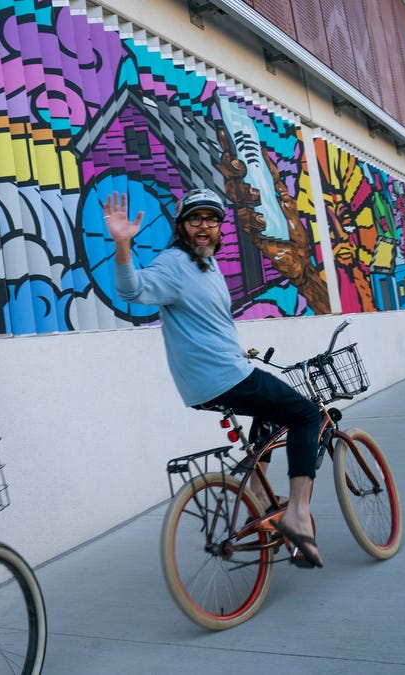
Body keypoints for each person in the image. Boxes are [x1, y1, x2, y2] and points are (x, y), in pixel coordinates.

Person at [103, 188, 325, 568]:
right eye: (195, 219)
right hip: (222, 377)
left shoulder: (208, 265)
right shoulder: (173, 263)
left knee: (270, 413)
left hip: (219, 373)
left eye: (211, 219)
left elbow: (207, 321)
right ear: (181, 226)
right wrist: (123, 245)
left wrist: (235, 350)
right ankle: (297, 515)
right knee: (307, 415)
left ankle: (257, 494)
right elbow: (131, 289)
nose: (204, 226)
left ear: (220, 227)